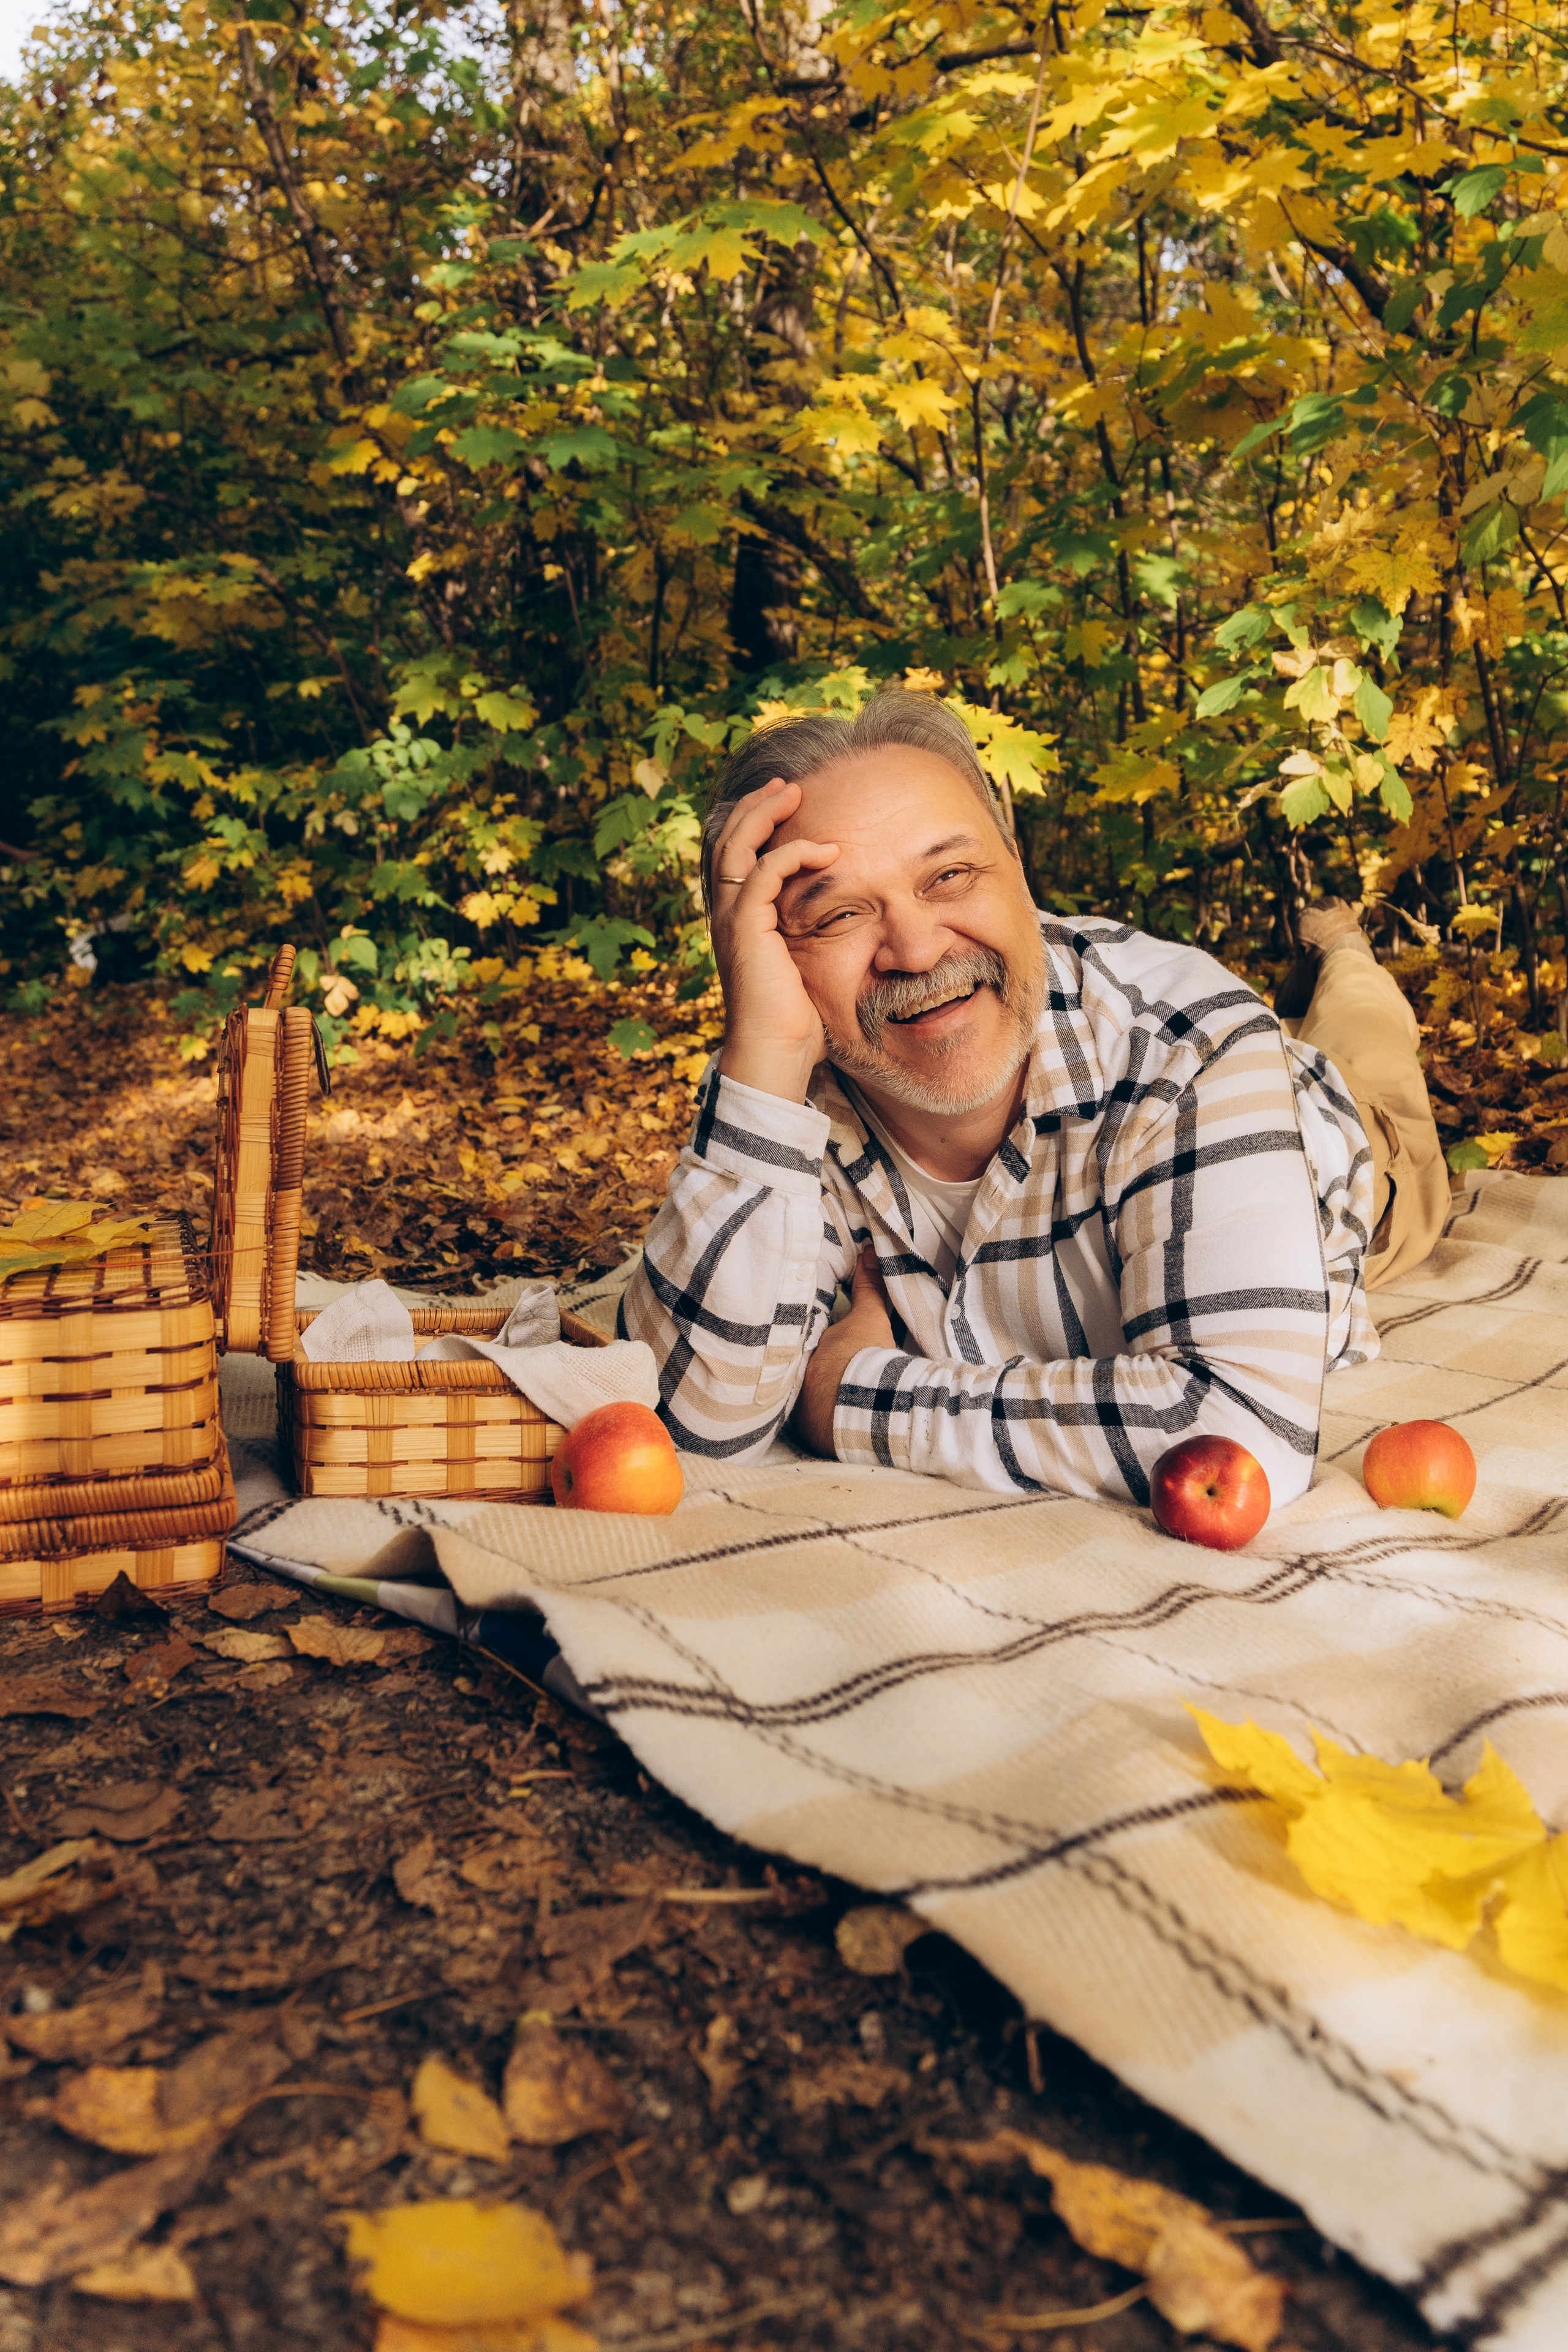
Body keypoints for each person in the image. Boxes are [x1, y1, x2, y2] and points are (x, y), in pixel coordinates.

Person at [620, 687, 1447, 1507]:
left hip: (1348, 1151)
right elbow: (689, 1428)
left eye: (947, 876)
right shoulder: (777, 1083)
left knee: (1368, 1038)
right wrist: (760, 1057)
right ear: (771, 954)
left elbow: (1231, 1444)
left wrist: (851, 1395)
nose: (914, 949)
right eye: (838, 915)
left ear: (1017, 869)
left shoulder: (1193, 1044)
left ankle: (1346, 954)